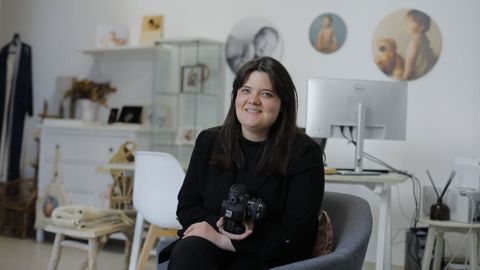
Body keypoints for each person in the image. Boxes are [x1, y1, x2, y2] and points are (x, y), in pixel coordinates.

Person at [162, 57, 325, 269]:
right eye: (246, 90)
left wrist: (227, 241)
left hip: (273, 254)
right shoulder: (209, 142)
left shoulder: (305, 153)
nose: (253, 100)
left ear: (282, 103)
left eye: (266, 94)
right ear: (236, 96)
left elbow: (294, 233)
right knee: (187, 251)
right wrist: (220, 226)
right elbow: (187, 206)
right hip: (214, 242)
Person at [401, 9, 437, 80]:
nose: (407, 26)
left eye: (410, 23)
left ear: (421, 26)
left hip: (418, 75)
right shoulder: (425, 40)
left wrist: (405, 77)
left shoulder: (414, 43)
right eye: (407, 23)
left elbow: (409, 62)